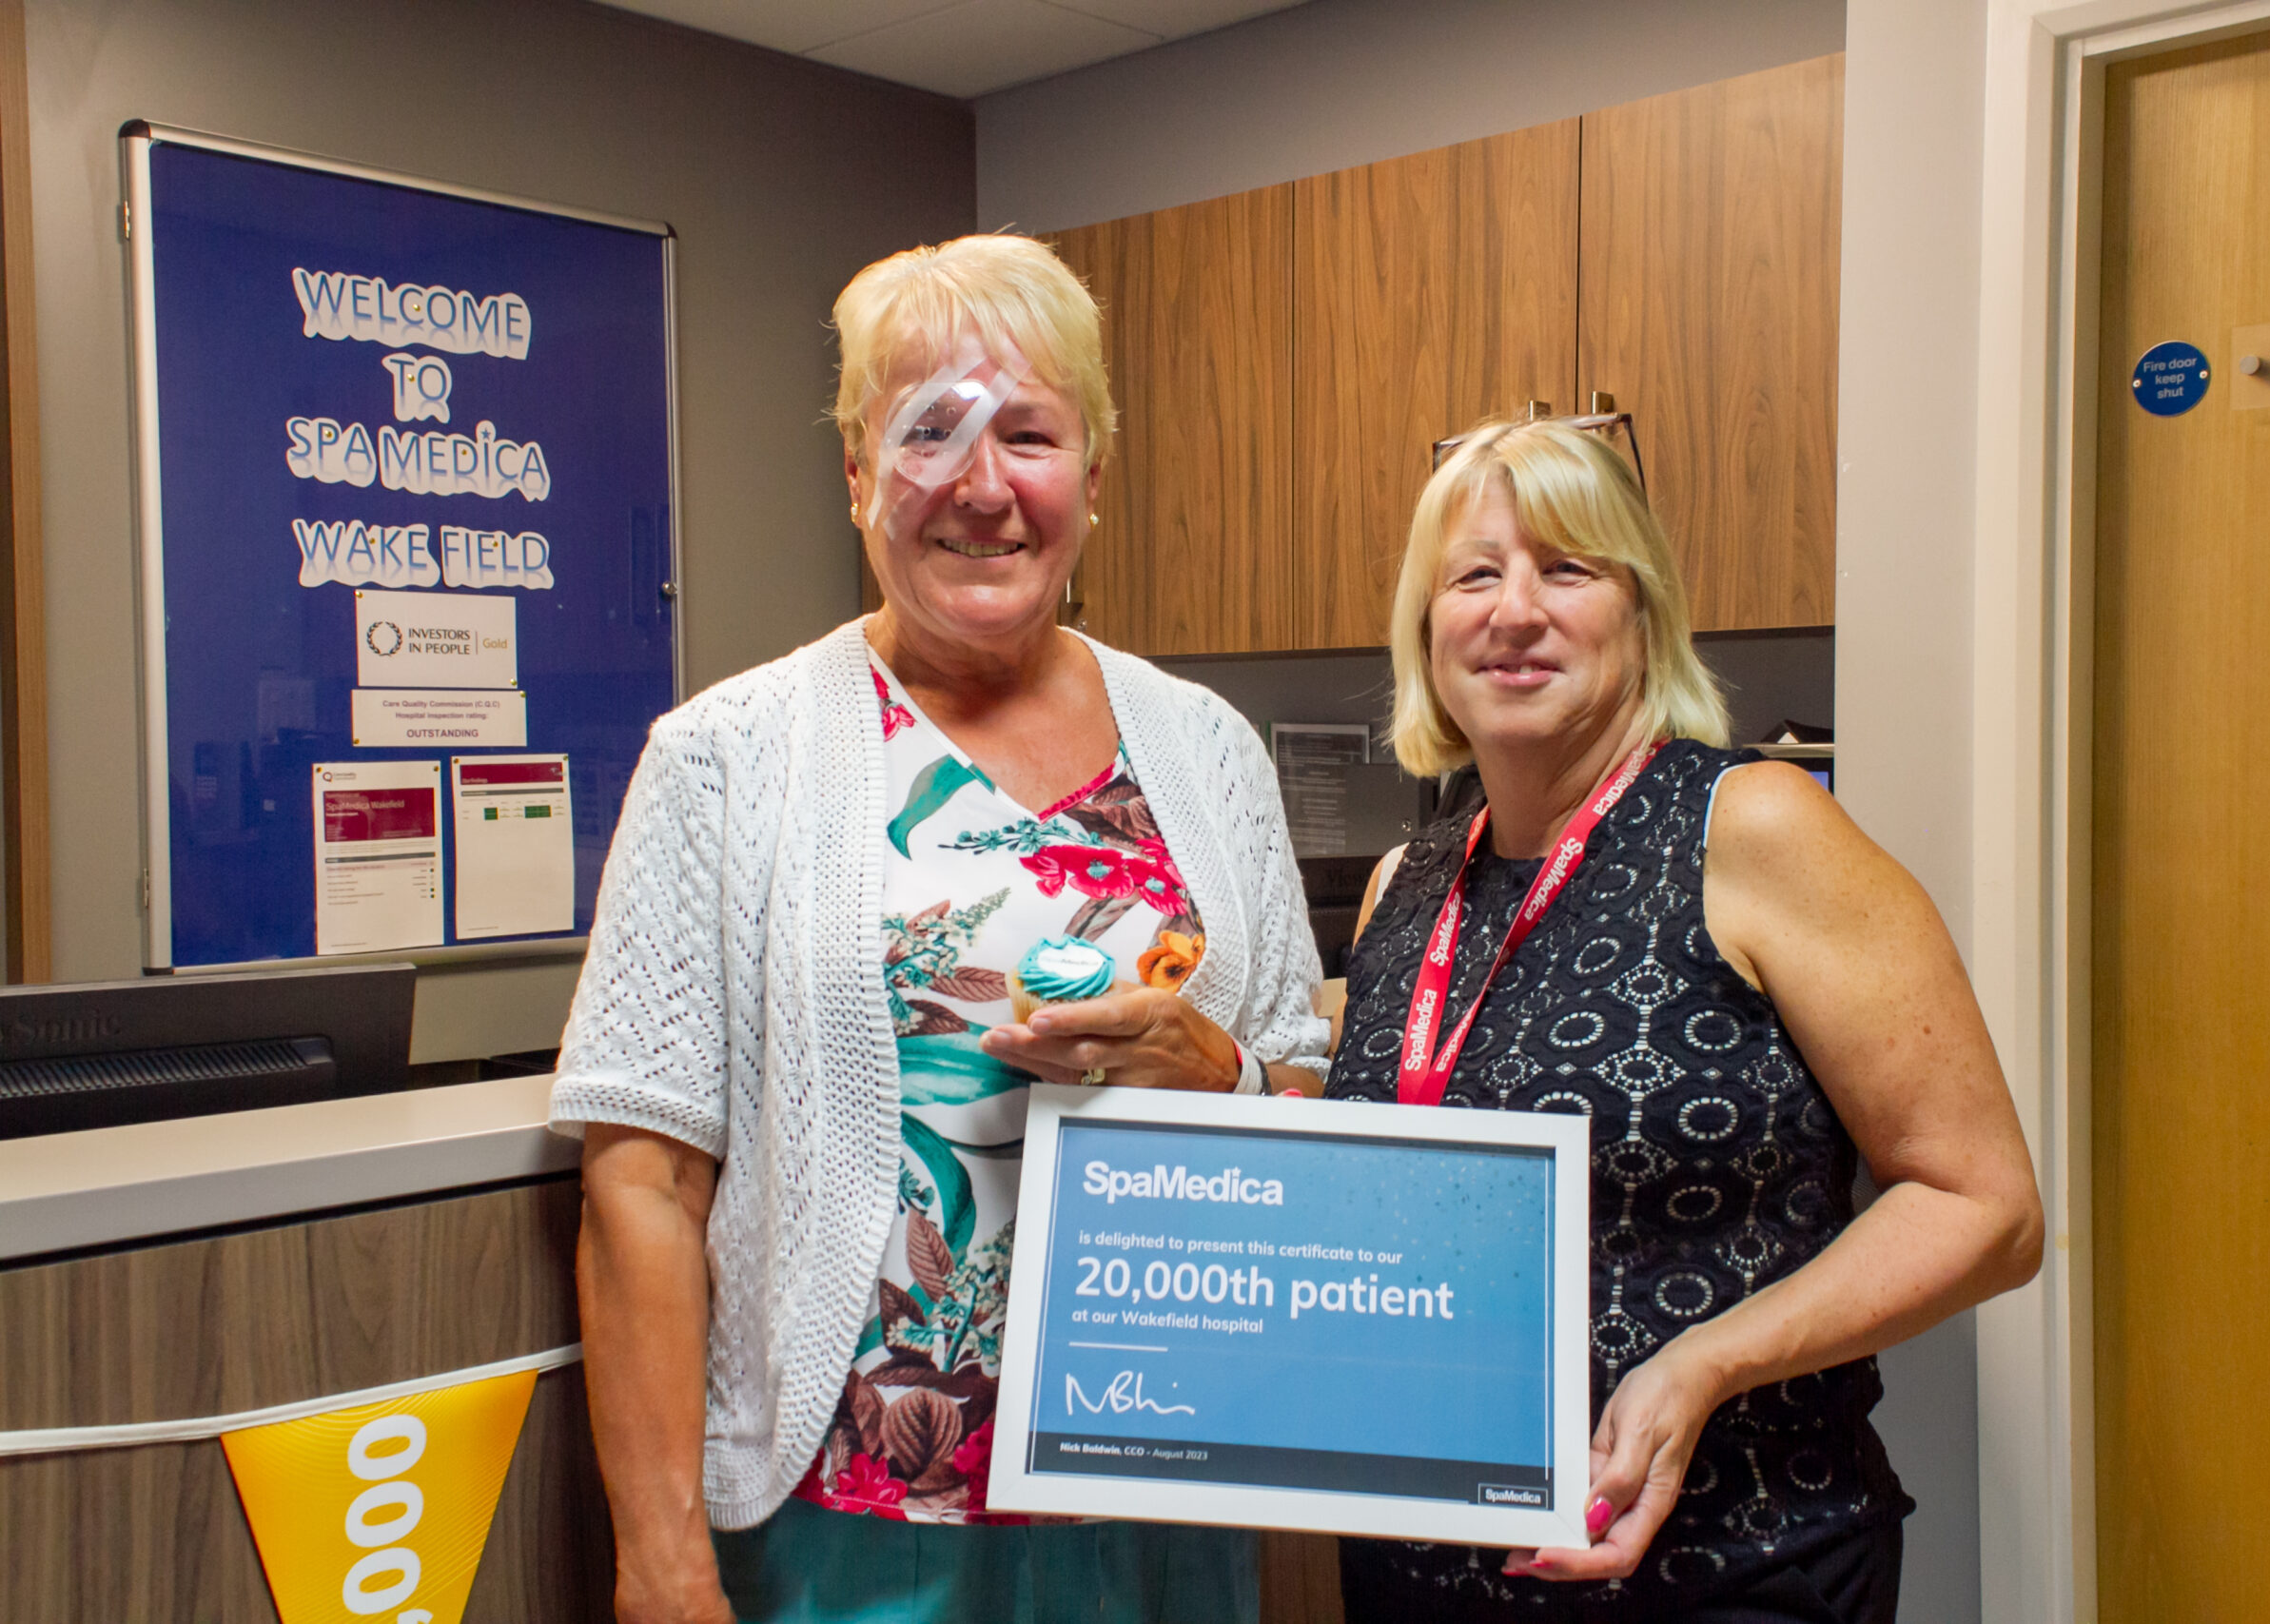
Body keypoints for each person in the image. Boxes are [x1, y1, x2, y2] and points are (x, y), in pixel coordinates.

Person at [551, 233, 1330, 1624]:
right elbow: (641, 1183)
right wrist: (659, 1551)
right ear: (859, 472)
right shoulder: (727, 754)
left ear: (1094, 469)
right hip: (847, 1515)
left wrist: (1219, 1070)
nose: (982, 486)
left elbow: (1305, 1103)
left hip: (1160, 1495)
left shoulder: (1207, 751)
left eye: (1027, 431)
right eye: (930, 431)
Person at [1325, 420, 2043, 1624]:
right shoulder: (1409, 881)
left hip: (1728, 1564)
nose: (1514, 610)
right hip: (1420, 1571)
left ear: (1641, 614)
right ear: (1424, 628)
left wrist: (1703, 1365)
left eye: (1566, 569)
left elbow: (1983, 1207)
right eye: (1473, 575)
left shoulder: (1752, 829)